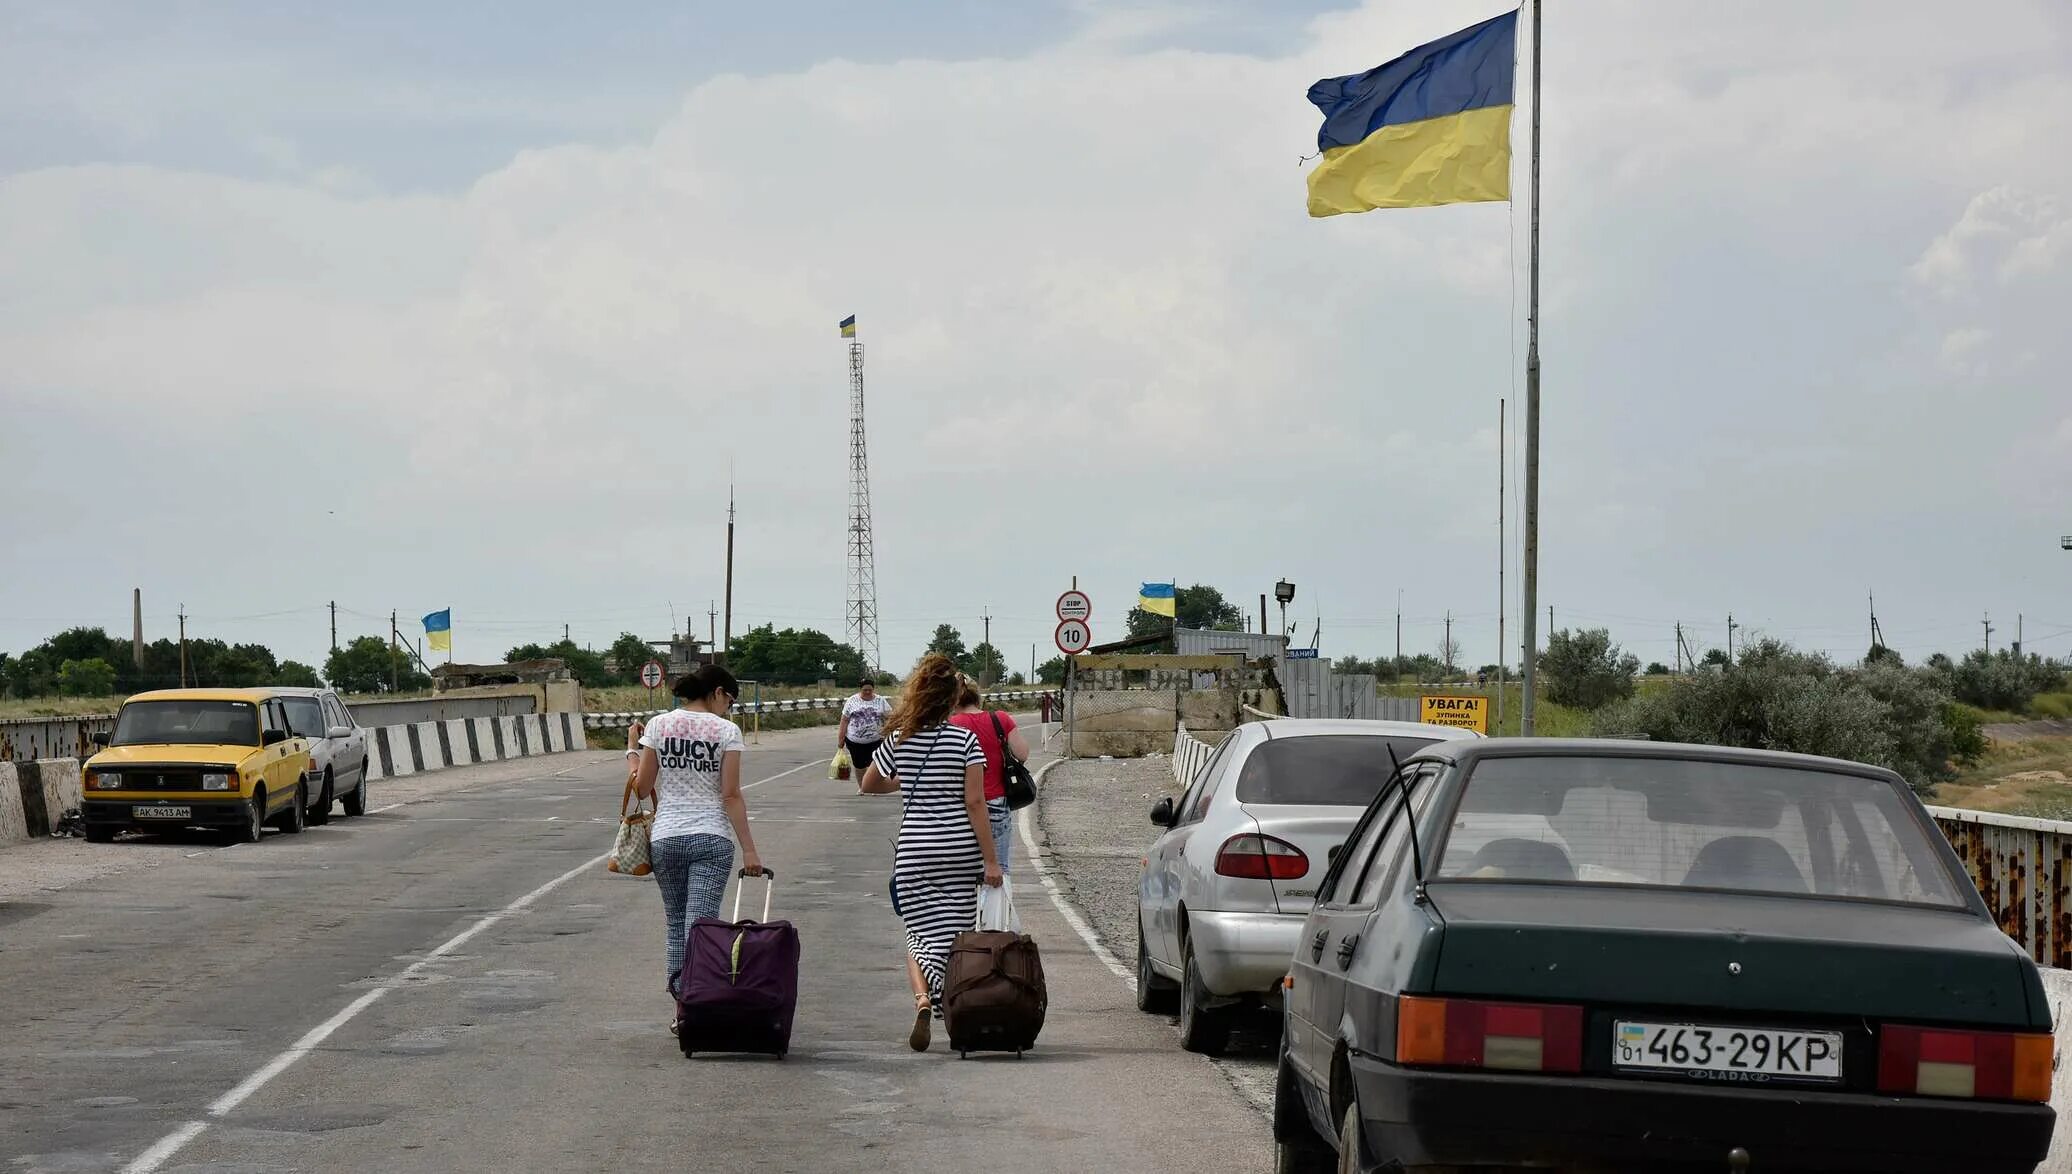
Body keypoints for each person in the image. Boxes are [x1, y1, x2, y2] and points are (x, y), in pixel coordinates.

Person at [857, 654, 1002, 1052]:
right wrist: (991, 860)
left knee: (918, 936)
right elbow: (975, 803)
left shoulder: (899, 737)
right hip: (959, 851)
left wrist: (905, 787)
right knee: (957, 938)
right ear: (952, 698)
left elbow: (869, 784)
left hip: (915, 851)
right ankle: (956, 1005)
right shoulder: (964, 740)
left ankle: (924, 999)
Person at [633, 664, 766, 1033]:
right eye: (731, 701)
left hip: (667, 838)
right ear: (718, 693)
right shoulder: (726, 731)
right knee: (702, 927)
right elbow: (731, 795)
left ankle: (682, 1008)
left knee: (677, 926)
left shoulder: (658, 725)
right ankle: (697, 1003)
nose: (730, 709)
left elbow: (642, 788)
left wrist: (633, 750)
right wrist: (750, 851)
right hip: (711, 838)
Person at [947, 676, 1032, 874]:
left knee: (964, 874)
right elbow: (1022, 754)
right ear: (978, 697)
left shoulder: (951, 724)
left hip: (960, 806)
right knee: (998, 871)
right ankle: (996, 905)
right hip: (996, 803)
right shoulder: (1000, 719)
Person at [838, 678, 891, 778]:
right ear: (860, 689)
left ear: (873, 689)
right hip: (854, 742)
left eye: (870, 690)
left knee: (874, 765)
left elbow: (890, 718)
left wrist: (888, 732)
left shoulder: (880, 701)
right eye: (865, 690)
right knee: (859, 766)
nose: (867, 692)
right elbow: (844, 720)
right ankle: (862, 787)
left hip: (876, 740)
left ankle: (873, 786)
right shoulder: (852, 701)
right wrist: (841, 739)